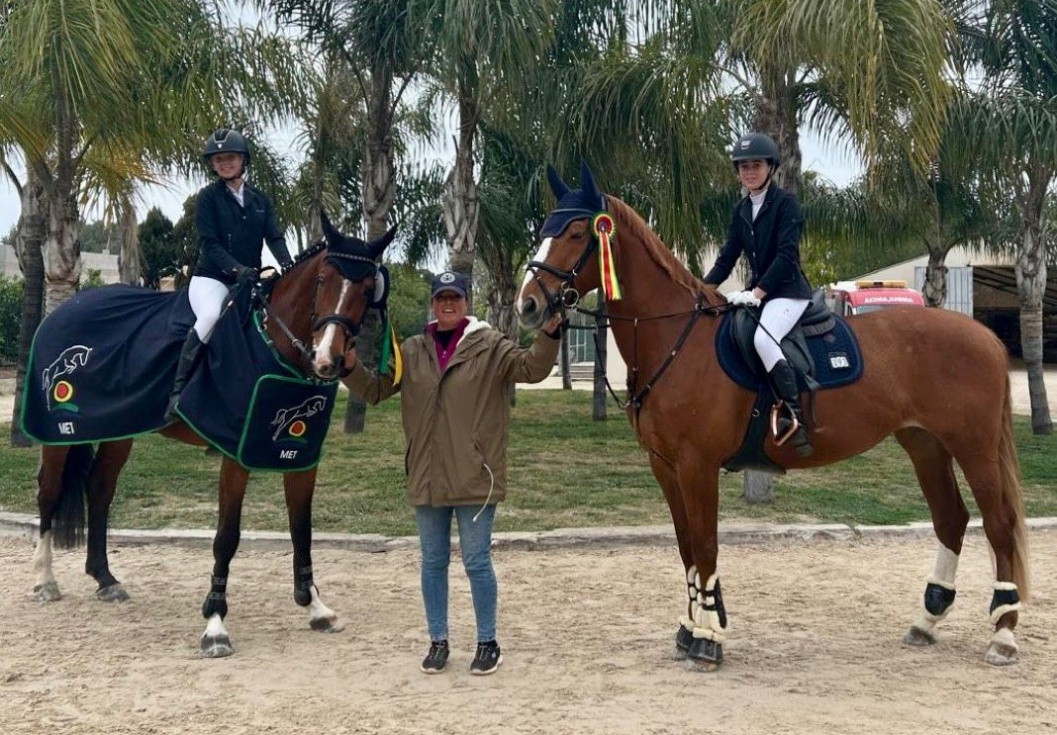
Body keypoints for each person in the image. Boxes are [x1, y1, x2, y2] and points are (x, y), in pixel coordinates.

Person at [345, 271, 562, 675]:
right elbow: (375, 391)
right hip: (427, 475)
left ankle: (487, 641)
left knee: (477, 562)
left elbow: (532, 369)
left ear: (466, 302)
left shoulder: (490, 345)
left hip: (474, 477)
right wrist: (350, 368)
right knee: (432, 561)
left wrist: (548, 335)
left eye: (455, 297)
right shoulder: (411, 349)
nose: (448, 303)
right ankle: (438, 640)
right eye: (441, 297)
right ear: (433, 302)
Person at [165, 128, 294, 420]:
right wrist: (237, 269)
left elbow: (274, 237)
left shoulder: (260, 200)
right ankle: (179, 392)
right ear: (212, 164)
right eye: (219, 159)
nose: (225, 163)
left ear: (243, 160)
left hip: (248, 281)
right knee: (211, 316)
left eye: (231, 158)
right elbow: (209, 244)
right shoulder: (208, 198)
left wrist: (288, 264)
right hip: (212, 279)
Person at [703, 132, 813, 456]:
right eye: (744, 166)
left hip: (788, 291)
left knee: (764, 339)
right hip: (759, 293)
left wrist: (759, 292)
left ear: (770, 167)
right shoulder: (741, 210)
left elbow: (786, 255)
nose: (749, 171)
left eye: (756, 165)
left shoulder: (786, 204)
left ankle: (794, 416)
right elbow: (726, 257)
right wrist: (701, 290)